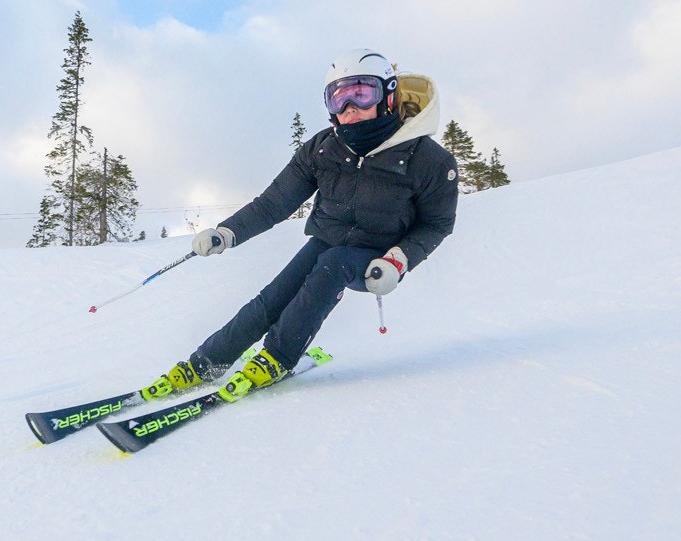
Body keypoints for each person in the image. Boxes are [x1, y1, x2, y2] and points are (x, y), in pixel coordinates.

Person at [154, 48, 460, 400]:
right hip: (328, 241)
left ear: (388, 96)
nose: (350, 109)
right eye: (338, 97)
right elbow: (274, 203)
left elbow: (436, 223)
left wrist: (399, 259)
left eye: (362, 94)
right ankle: (206, 362)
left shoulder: (428, 160)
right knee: (272, 299)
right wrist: (227, 232)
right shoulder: (323, 149)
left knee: (334, 264)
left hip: (375, 258)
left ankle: (278, 357)